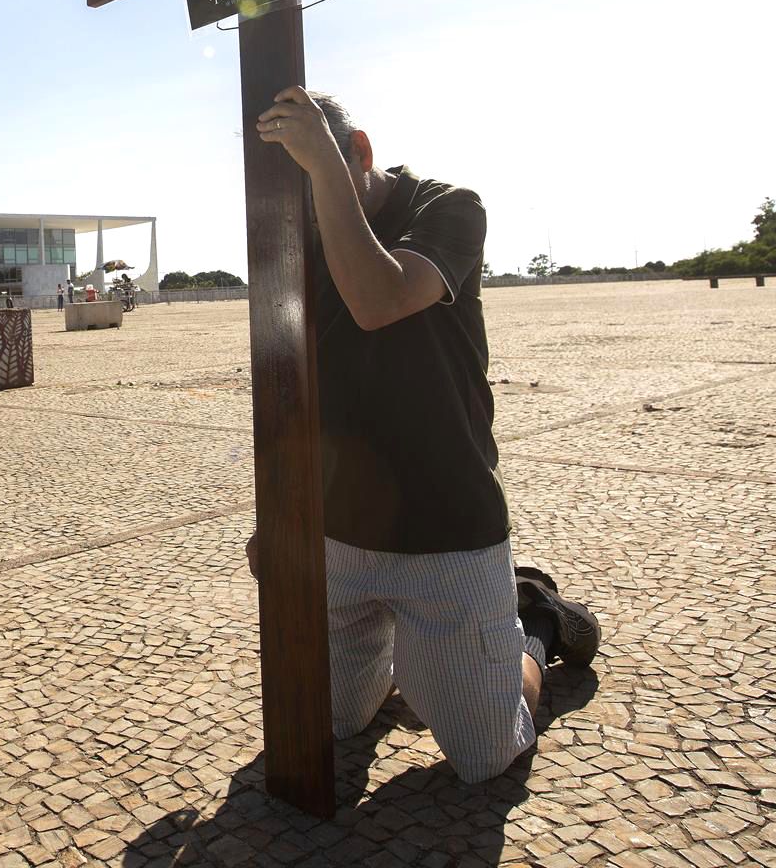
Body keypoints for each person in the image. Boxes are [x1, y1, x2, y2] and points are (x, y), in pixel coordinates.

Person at [248, 85, 599, 784]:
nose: (308, 205)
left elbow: (379, 300)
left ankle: (535, 621)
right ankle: (417, 660)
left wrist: (320, 171)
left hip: (446, 528)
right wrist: (278, 516)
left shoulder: (449, 206)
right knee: (333, 723)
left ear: (361, 151)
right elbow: (289, 388)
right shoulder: (299, 237)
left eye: (318, 173)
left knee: (488, 756)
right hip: (340, 534)